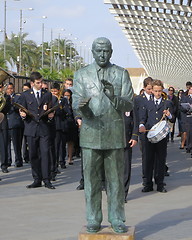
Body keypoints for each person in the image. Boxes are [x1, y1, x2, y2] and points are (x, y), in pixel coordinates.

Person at [72, 37, 134, 233]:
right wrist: (82, 109)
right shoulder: (82, 75)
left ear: (111, 52)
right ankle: (93, 218)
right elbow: (75, 103)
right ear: (92, 51)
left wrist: (113, 96)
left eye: (106, 51)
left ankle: (117, 218)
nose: (102, 54)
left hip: (114, 134)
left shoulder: (121, 74)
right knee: (91, 181)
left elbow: (129, 104)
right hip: (90, 135)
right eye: (98, 51)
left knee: (115, 180)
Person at [19, 71, 56, 189]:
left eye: (42, 82)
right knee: (33, 155)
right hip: (31, 129)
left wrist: (51, 116)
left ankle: (47, 179)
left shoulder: (47, 94)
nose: (41, 84)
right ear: (32, 83)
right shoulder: (25, 95)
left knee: (45, 154)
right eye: (38, 83)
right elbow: (22, 110)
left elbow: (50, 109)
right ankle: (36, 179)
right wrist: (23, 115)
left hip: (44, 128)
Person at [139, 80, 175, 193]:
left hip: (161, 137)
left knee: (160, 160)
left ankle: (160, 184)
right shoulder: (146, 103)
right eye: (155, 91)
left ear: (162, 90)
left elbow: (173, 119)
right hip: (148, 136)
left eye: (160, 91)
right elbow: (142, 118)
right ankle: (147, 184)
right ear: (152, 91)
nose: (158, 93)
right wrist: (141, 126)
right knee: (148, 160)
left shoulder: (167, 104)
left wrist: (169, 115)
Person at [134, 77, 153, 187]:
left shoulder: (156, 97)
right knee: (146, 156)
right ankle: (146, 181)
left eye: (152, 88)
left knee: (156, 156)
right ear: (144, 88)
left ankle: (158, 177)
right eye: (149, 88)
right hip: (143, 131)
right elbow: (136, 115)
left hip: (154, 130)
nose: (151, 91)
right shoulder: (138, 100)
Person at [6, 82, 23, 167]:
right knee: (6, 143)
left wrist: (11, 102)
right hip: (6, 122)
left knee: (17, 143)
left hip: (15, 122)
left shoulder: (17, 97)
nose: (10, 90)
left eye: (11, 88)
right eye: (8, 88)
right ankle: (8, 160)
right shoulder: (4, 97)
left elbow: (18, 107)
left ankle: (18, 160)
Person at [124, 110, 138, 203]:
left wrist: (134, 137)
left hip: (126, 140)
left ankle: (123, 194)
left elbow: (136, 121)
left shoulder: (129, 103)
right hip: (111, 141)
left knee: (125, 168)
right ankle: (113, 193)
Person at [0, 83, 11, 173]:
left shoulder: (6, 97)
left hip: (2, 121)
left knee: (3, 144)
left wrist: (3, 98)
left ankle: (4, 165)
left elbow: (7, 109)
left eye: (1, 87)